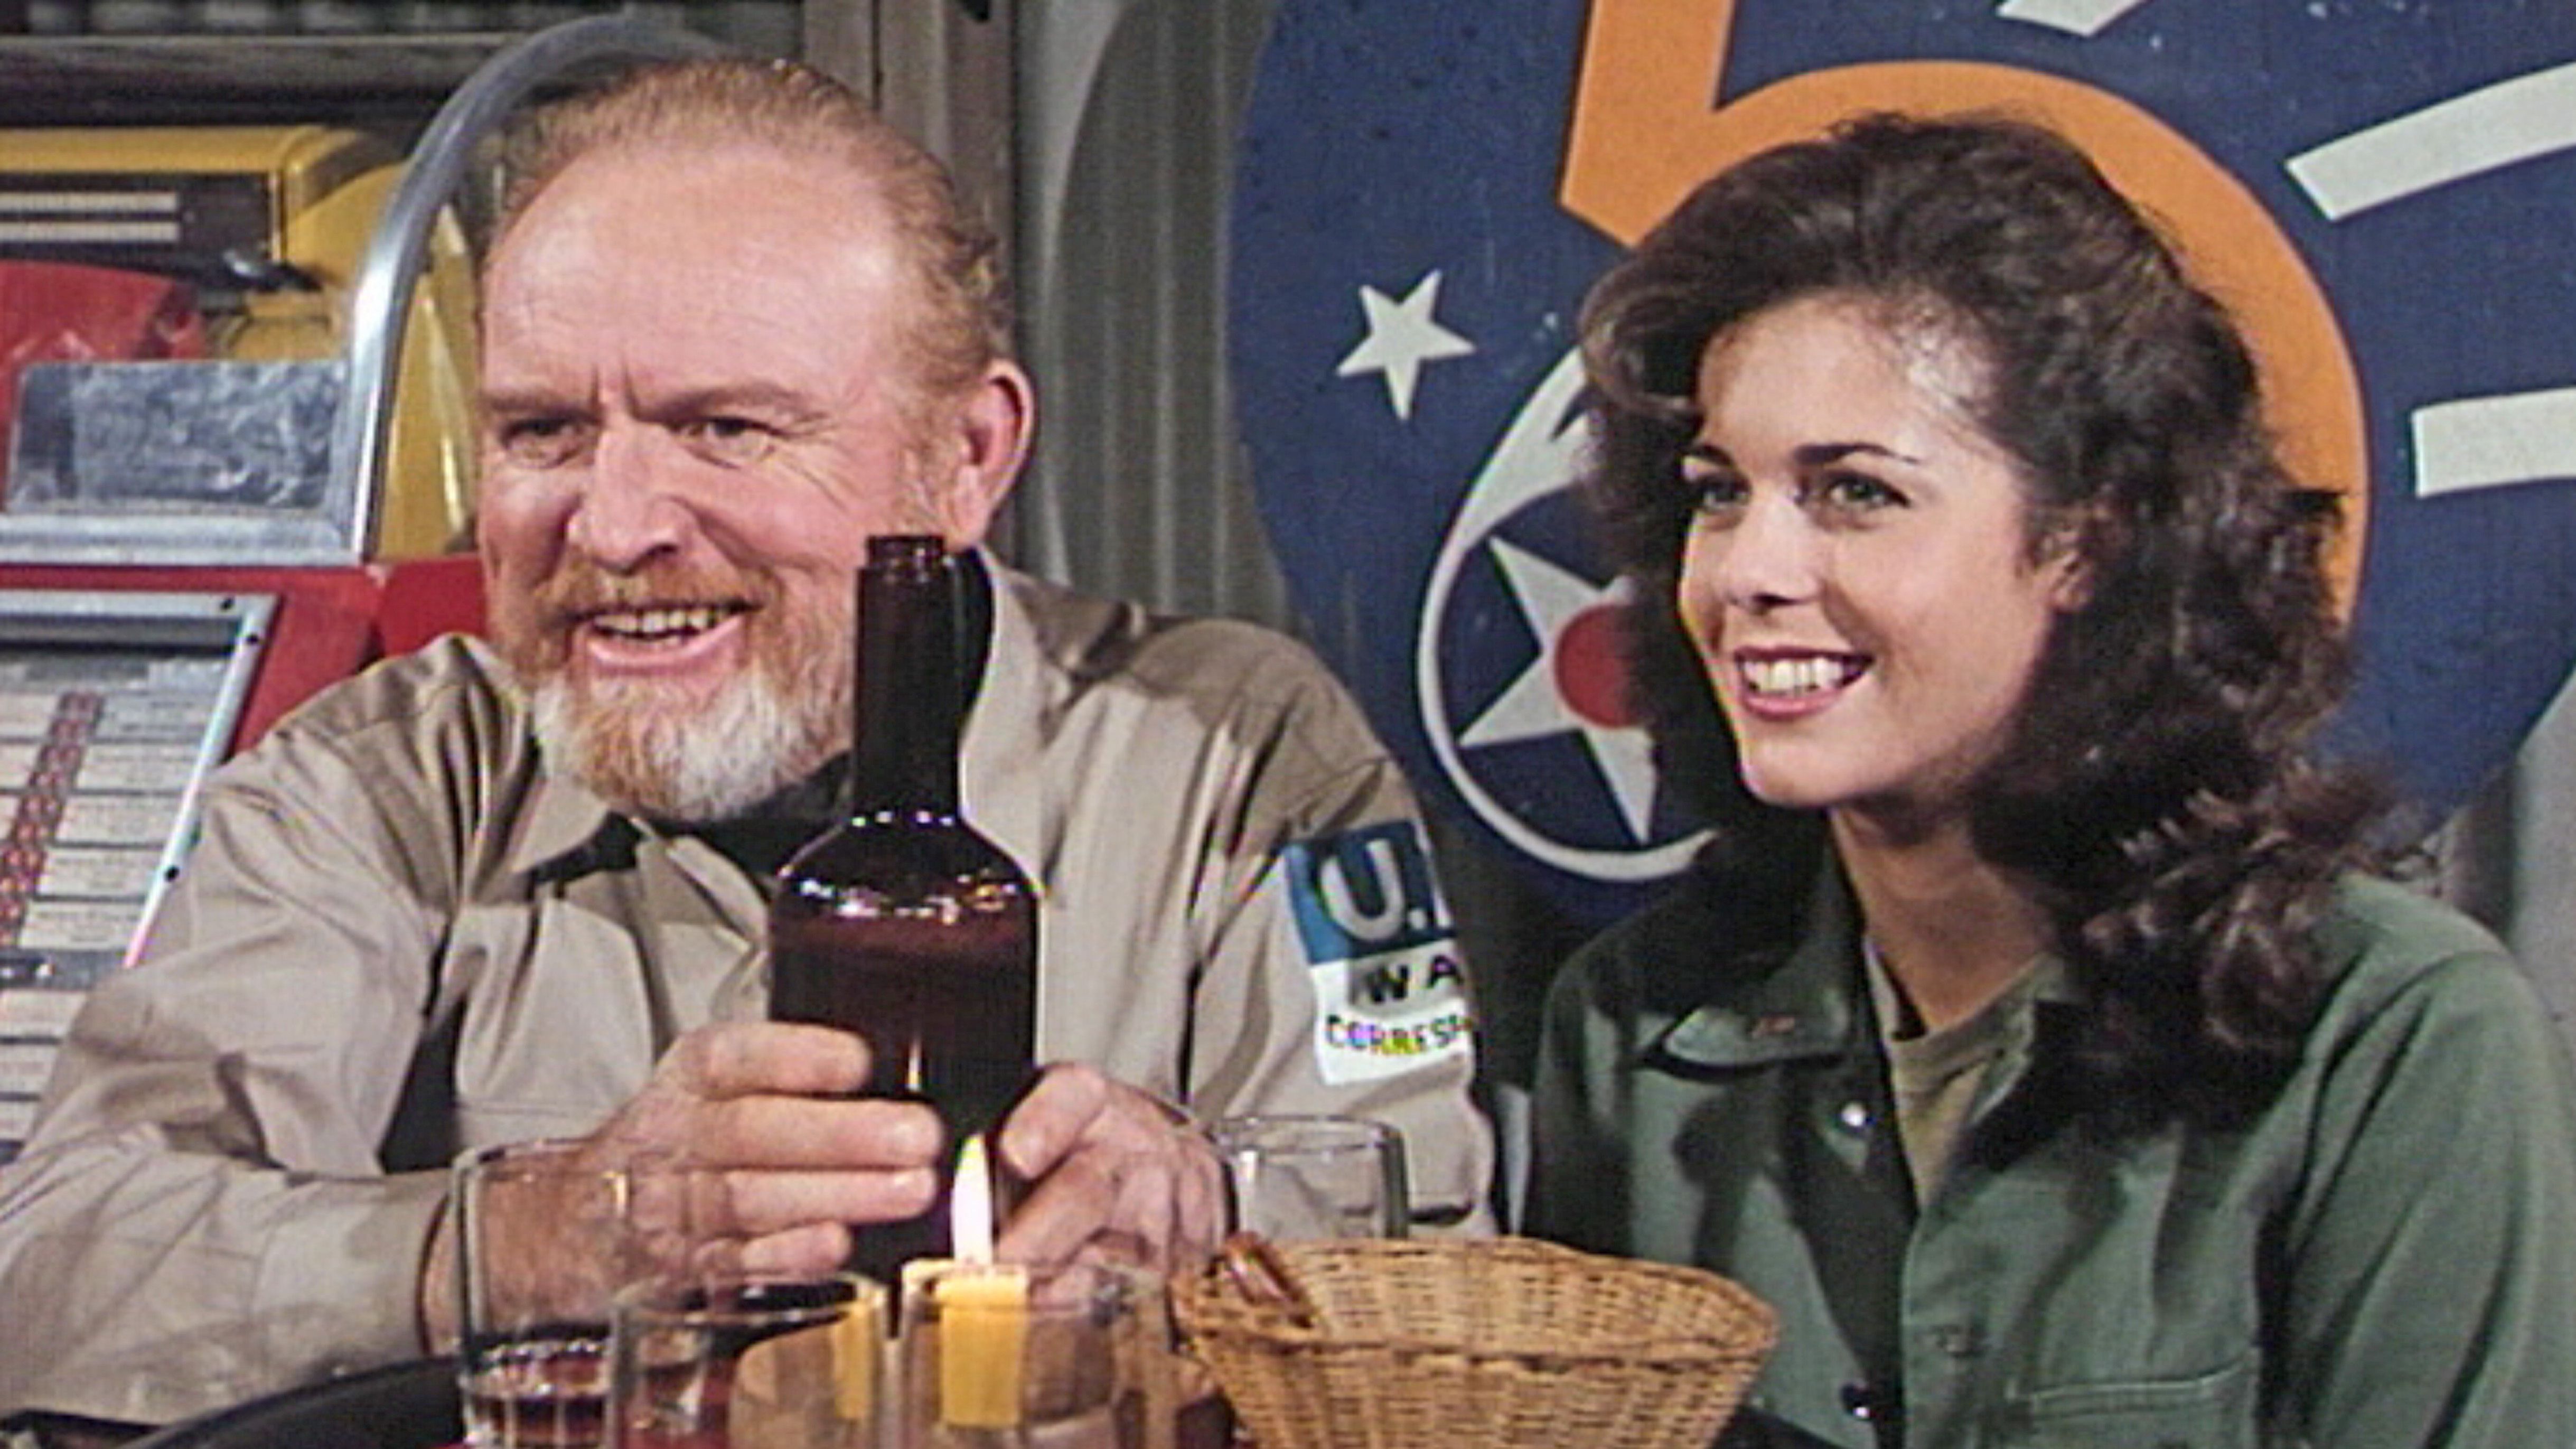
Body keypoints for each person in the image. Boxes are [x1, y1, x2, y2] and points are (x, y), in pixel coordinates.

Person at [0, 57, 1490, 1432]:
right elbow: (55, 1270)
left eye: (726, 428)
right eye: (541, 432)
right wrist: (523, 1237)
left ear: (966, 456)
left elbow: (1436, 1272)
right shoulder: (375, 784)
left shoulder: (1244, 762)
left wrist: (1207, 1221)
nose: (615, 526)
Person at [1526, 112, 2576, 1448]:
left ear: (2087, 542)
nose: (1746, 572)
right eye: (1719, 493)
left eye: (1855, 494)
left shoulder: (2391, 1036)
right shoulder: (1636, 1034)